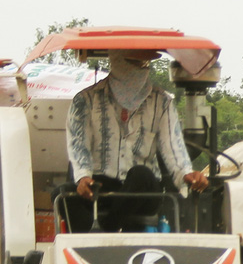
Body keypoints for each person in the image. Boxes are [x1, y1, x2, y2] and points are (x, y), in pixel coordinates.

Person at [66, 51, 209, 230]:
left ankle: (106, 230)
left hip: (143, 190)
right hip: (100, 188)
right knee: (64, 193)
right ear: (117, 62)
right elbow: (78, 145)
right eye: (134, 63)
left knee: (141, 174)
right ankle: (87, 242)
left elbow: (173, 146)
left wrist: (187, 173)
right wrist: (83, 178)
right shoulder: (85, 100)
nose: (141, 69)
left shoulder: (162, 102)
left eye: (145, 64)